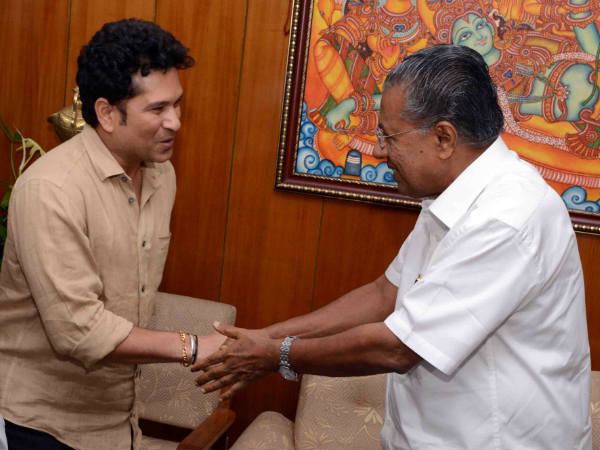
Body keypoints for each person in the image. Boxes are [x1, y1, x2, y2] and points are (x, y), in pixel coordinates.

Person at [194, 44, 592, 450]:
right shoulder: (453, 193)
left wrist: (277, 354)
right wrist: (262, 338)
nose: (380, 149)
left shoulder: (508, 216)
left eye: (389, 135)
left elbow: (399, 348)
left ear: (443, 138)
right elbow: (384, 294)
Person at [0, 19, 225, 450]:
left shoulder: (161, 175)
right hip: (41, 426)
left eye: (177, 104)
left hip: (119, 422)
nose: (175, 122)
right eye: (157, 109)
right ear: (106, 113)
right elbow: (79, 330)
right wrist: (193, 347)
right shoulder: (51, 190)